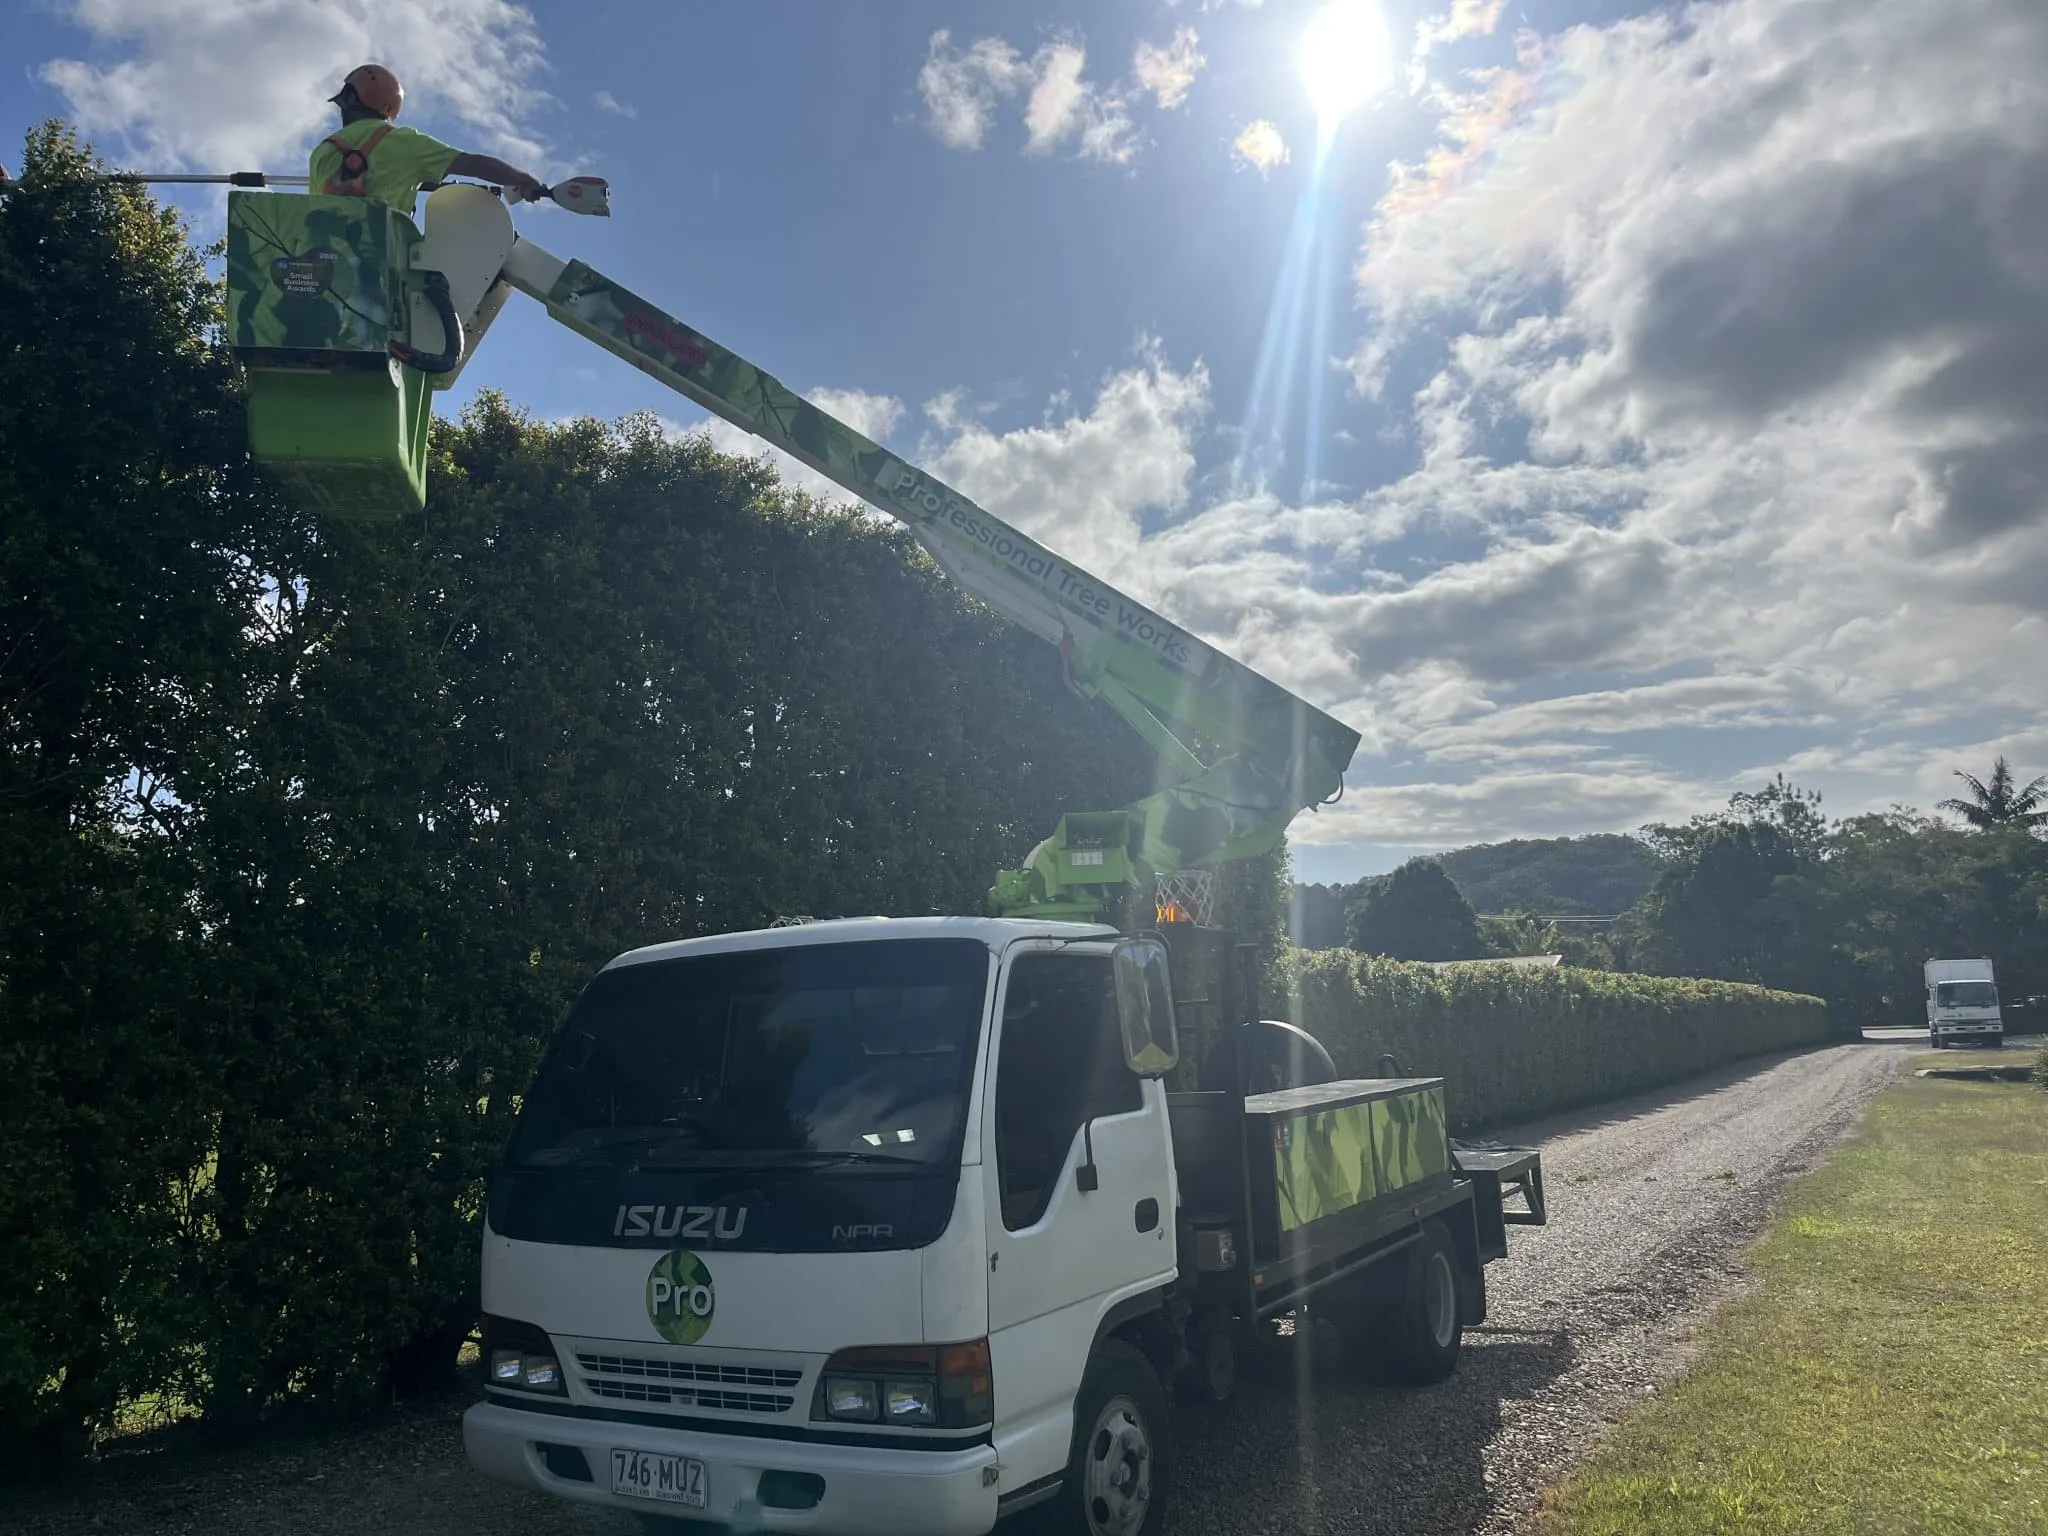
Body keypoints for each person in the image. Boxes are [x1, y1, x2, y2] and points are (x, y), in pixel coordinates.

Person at [309, 65, 546, 209]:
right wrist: (523, 179)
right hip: (378, 268)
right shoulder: (402, 141)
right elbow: (476, 164)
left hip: (325, 273)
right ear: (388, 108)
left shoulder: (322, 150)